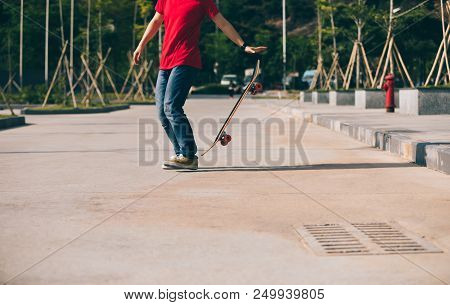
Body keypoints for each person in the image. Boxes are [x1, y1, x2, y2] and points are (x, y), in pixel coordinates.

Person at [133, 0, 266, 170]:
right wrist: (141, 45)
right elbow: (156, 21)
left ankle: (188, 155)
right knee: (162, 113)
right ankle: (182, 154)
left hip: (186, 59)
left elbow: (222, 23)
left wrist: (244, 45)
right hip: (166, 62)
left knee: (172, 106)